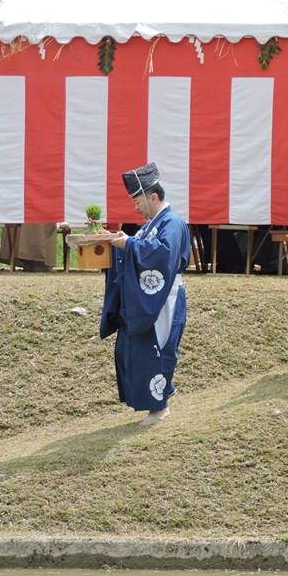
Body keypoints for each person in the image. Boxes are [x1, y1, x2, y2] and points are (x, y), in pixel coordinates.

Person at [99, 162, 191, 426]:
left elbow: (162, 254)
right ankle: (160, 396)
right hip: (152, 297)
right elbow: (143, 247)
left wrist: (129, 243)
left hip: (164, 297)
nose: (135, 207)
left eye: (138, 201)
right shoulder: (151, 224)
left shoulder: (172, 223)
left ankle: (160, 407)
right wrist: (124, 243)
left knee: (159, 348)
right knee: (141, 347)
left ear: (153, 196)